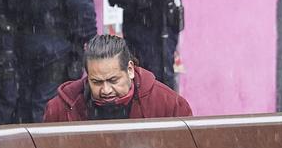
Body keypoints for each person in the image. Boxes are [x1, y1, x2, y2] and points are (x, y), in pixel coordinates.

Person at [43, 34, 192, 122]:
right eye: (97, 82)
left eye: (113, 80)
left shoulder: (169, 106)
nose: (106, 90)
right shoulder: (59, 110)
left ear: (130, 70)